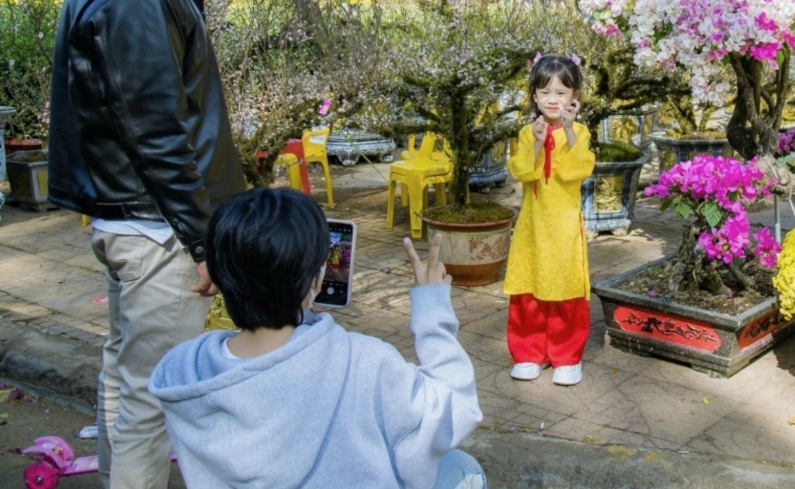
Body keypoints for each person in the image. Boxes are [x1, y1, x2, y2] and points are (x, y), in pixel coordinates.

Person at [47, 0, 244, 488]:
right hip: (156, 227)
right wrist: (202, 240)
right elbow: (156, 130)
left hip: (134, 216)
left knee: (127, 379)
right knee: (151, 399)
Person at [149, 188, 486, 489]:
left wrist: (303, 316)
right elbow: (456, 411)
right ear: (315, 279)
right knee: (461, 469)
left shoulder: (182, 372)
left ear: (218, 280)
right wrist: (432, 309)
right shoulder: (364, 362)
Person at [504, 54, 596, 386]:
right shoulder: (530, 132)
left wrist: (568, 132)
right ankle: (528, 353)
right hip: (532, 224)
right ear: (534, 96)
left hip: (564, 224)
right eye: (545, 93)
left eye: (561, 92)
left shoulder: (581, 132)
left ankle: (567, 357)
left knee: (564, 283)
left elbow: (578, 170)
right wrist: (539, 142)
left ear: (575, 96)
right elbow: (521, 170)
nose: (553, 100)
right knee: (529, 284)